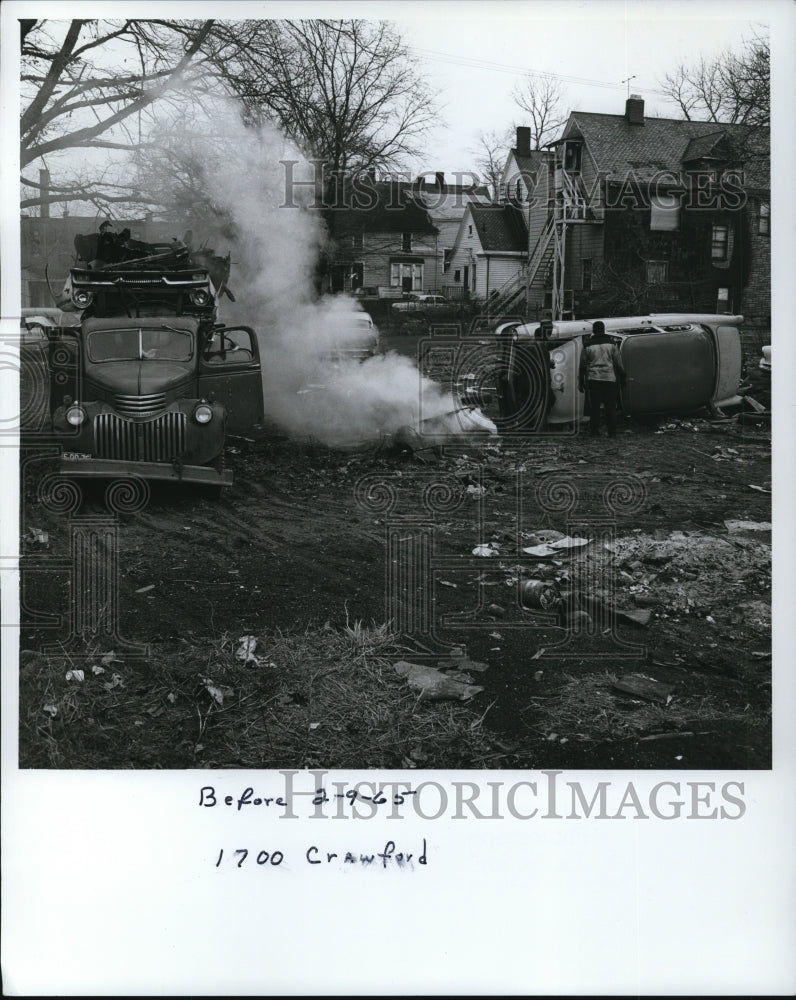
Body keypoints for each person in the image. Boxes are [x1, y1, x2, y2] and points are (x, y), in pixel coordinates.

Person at [578, 320, 626, 437]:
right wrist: (623, 376)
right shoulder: (612, 343)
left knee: (595, 407)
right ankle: (612, 432)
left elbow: (583, 365)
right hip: (609, 378)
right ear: (604, 329)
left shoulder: (587, 345)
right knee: (610, 406)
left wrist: (580, 381)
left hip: (593, 379)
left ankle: (594, 431)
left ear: (593, 330)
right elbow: (618, 363)